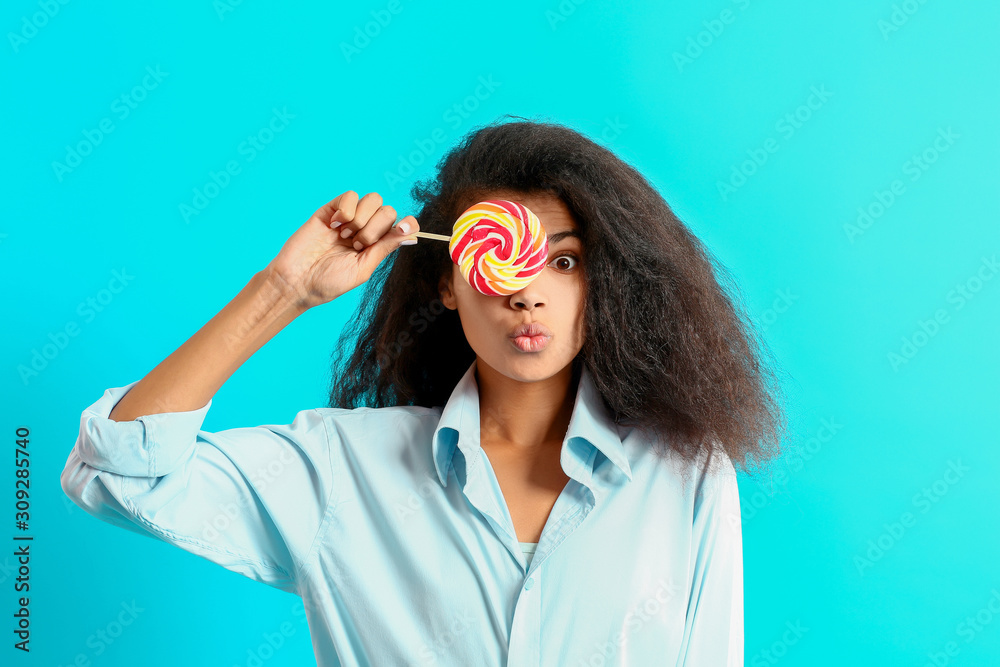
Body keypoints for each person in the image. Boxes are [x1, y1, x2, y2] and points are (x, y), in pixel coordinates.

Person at [61, 117, 787, 666]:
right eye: (496, 260)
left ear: (604, 282)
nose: (526, 293)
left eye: (563, 261)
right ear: (447, 279)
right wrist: (282, 291)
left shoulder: (684, 474)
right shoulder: (341, 470)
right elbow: (119, 472)